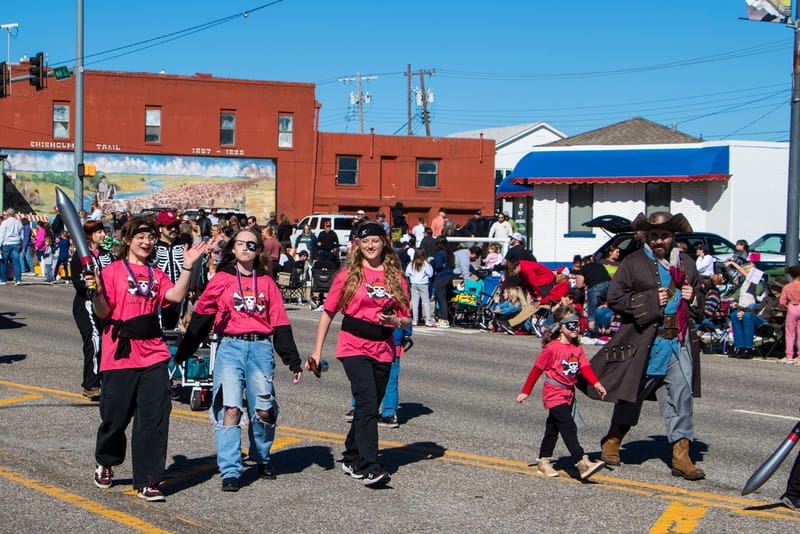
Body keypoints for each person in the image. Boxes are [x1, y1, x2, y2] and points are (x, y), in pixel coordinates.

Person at [86, 217, 207, 501]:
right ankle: (106, 460)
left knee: (154, 419)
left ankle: (148, 480)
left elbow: (175, 296)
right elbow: (103, 312)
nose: (147, 241)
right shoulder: (113, 271)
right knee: (114, 419)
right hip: (120, 354)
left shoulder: (156, 273)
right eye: (141, 236)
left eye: (151, 237)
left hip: (153, 353)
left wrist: (188, 265)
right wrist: (96, 292)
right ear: (128, 240)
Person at [175, 227, 303, 491]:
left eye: (252, 245)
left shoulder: (267, 283)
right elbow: (202, 316)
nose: (246, 248)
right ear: (233, 248)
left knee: (263, 410)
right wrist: (184, 352)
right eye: (241, 244)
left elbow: (279, 322)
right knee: (230, 408)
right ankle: (230, 470)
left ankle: (262, 456)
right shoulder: (221, 279)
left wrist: (292, 360)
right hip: (230, 347)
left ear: (258, 252)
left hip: (260, 348)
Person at [589, 211, 706, 481]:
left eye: (664, 235)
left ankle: (681, 456)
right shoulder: (633, 262)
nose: (659, 240)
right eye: (654, 236)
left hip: (678, 342)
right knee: (633, 394)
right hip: (645, 342)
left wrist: (693, 297)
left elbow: (700, 298)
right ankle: (613, 440)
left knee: (681, 397)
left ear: (672, 237)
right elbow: (615, 297)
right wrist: (653, 299)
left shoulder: (687, 263)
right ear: (648, 237)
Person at [306, 222, 411, 486]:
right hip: (353, 345)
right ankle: (370, 465)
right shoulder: (348, 276)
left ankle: (352, 455)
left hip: (384, 346)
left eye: (375, 241)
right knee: (366, 403)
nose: (370, 246)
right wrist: (317, 351)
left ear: (384, 242)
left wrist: (395, 322)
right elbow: (328, 312)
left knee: (370, 405)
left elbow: (408, 320)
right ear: (358, 245)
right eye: (365, 242)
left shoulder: (395, 277)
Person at [516, 306, 607, 479]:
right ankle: (581, 461)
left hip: (568, 393)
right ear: (560, 327)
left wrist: (596, 383)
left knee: (553, 428)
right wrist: (525, 391)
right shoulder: (552, 348)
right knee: (568, 426)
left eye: (577, 324)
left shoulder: (576, 347)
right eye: (571, 325)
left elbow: (585, 367)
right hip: (554, 392)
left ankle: (544, 461)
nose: (576, 328)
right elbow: (537, 370)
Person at [71, 220, 116, 400]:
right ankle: (91, 383)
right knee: (94, 341)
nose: (103, 235)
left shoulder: (107, 254)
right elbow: (78, 282)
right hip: (86, 304)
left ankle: (107, 379)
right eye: (99, 233)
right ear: (90, 235)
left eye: (104, 232)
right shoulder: (81, 256)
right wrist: (93, 286)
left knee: (107, 342)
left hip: (106, 303)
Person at [153, 210, 186, 330]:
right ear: (160, 228)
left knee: (178, 329)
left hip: (180, 294)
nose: (174, 229)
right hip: (159, 295)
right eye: (169, 226)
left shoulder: (184, 245)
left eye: (176, 226)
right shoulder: (153, 247)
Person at [574, 256, 612, 334]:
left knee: (592, 311)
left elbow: (579, 285)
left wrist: (577, 286)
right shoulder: (600, 266)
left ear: (583, 262)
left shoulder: (584, 268)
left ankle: (592, 332)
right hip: (609, 286)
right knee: (604, 309)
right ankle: (605, 329)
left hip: (595, 287)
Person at [405, 247, 435, 327]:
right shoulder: (425, 263)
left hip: (414, 283)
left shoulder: (411, 263)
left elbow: (407, 273)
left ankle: (415, 320)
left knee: (415, 302)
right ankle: (428, 320)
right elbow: (430, 274)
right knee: (426, 302)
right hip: (423, 284)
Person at [432, 236, 455, 328]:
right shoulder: (449, 253)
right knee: (446, 298)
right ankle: (446, 318)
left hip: (442, 277)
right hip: (449, 276)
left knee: (441, 299)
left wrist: (432, 262)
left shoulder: (440, 254)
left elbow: (438, 266)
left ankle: (444, 319)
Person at [780, 265, 800, 363]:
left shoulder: (787, 287)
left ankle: (789, 356)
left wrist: (788, 307)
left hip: (792, 307)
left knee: (790, 333)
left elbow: (782, 302)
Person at [0, 208, 24, 285]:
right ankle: (18, 280)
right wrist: (21, 243)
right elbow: (22, 235)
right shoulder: (18, 223)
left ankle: (3, 279)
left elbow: (2, 235)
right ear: (14, 214)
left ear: (7, 214)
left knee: (4, 262)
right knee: (16, 262)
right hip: (16, 243)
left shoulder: (4, 223)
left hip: (6, 243)